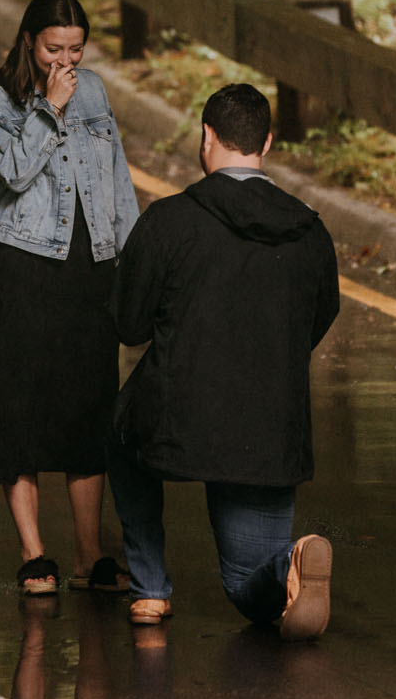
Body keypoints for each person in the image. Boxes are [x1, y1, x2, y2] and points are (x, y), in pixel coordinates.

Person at [107, 82, 341, 638]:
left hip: (177, 419)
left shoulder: (168, 221)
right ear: (267, 142)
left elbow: (129, 325)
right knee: (245, 584)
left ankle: (149, 588)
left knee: (119, 428)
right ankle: (288, 565)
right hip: (270, 429)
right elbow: (320, 315)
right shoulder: (308, 229)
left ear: (207, 137)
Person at [0, 0, 141, 595]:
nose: (64, 61)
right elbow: (15, 171)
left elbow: (118, 177)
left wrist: (133, 258)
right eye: (52, 49)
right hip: (25, 264)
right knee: (18, 406)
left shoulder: (92, 90)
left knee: (88, 409)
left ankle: (90, 556)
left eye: (75, 50)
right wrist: (47, 107)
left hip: (89, 265)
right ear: (28, 41)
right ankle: (34, 552)